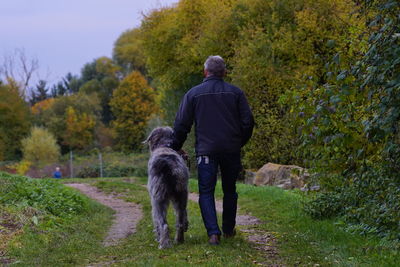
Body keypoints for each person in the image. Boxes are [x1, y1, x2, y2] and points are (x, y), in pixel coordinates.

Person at [171, 55, 254, 245]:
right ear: (224, 72)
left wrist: (174, 147)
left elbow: (182, 125)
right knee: (230, 190)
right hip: (231, 149)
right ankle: (228, 230)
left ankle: (213, 234)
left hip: (206, 151)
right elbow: (248, 122)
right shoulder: (236, 93)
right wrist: (239, 142)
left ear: (205, 72)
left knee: (206, 191)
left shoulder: (193, 94)